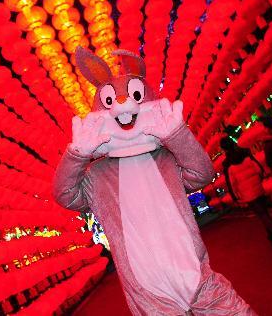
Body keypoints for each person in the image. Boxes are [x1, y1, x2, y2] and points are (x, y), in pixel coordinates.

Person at [54, 47, 255, 315]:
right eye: (111, 101)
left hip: (196, 276)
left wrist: (176, 135)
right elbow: (65, 194)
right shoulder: (97, 176)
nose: (125, 105)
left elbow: (202, 174)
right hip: (148, 292)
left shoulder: (166, 157)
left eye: (136, 96)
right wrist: (77, 154)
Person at [220, 134, 272, 247]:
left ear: (224, 149)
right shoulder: (245, 153)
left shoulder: (227, 164)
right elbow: (258, 169)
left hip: (248, 194)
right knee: (265, 213)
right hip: (258, 187)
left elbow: (231, 183)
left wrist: (235, 196)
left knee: (263, 215)